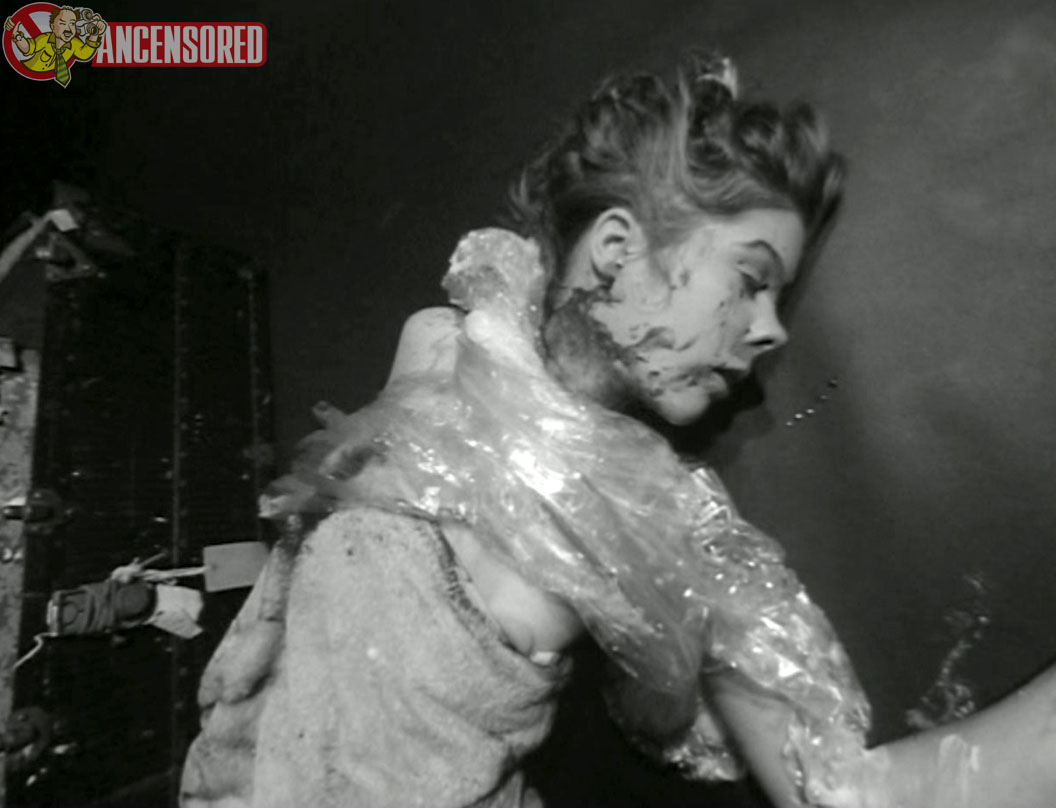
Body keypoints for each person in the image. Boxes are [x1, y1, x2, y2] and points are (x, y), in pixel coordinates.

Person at [180, 52, 1056, 808]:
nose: (771, 332)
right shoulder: (442, 344)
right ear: (616, 248)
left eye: (779, 300)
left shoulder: (662, 527)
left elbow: (841, 792)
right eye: (750, 280)